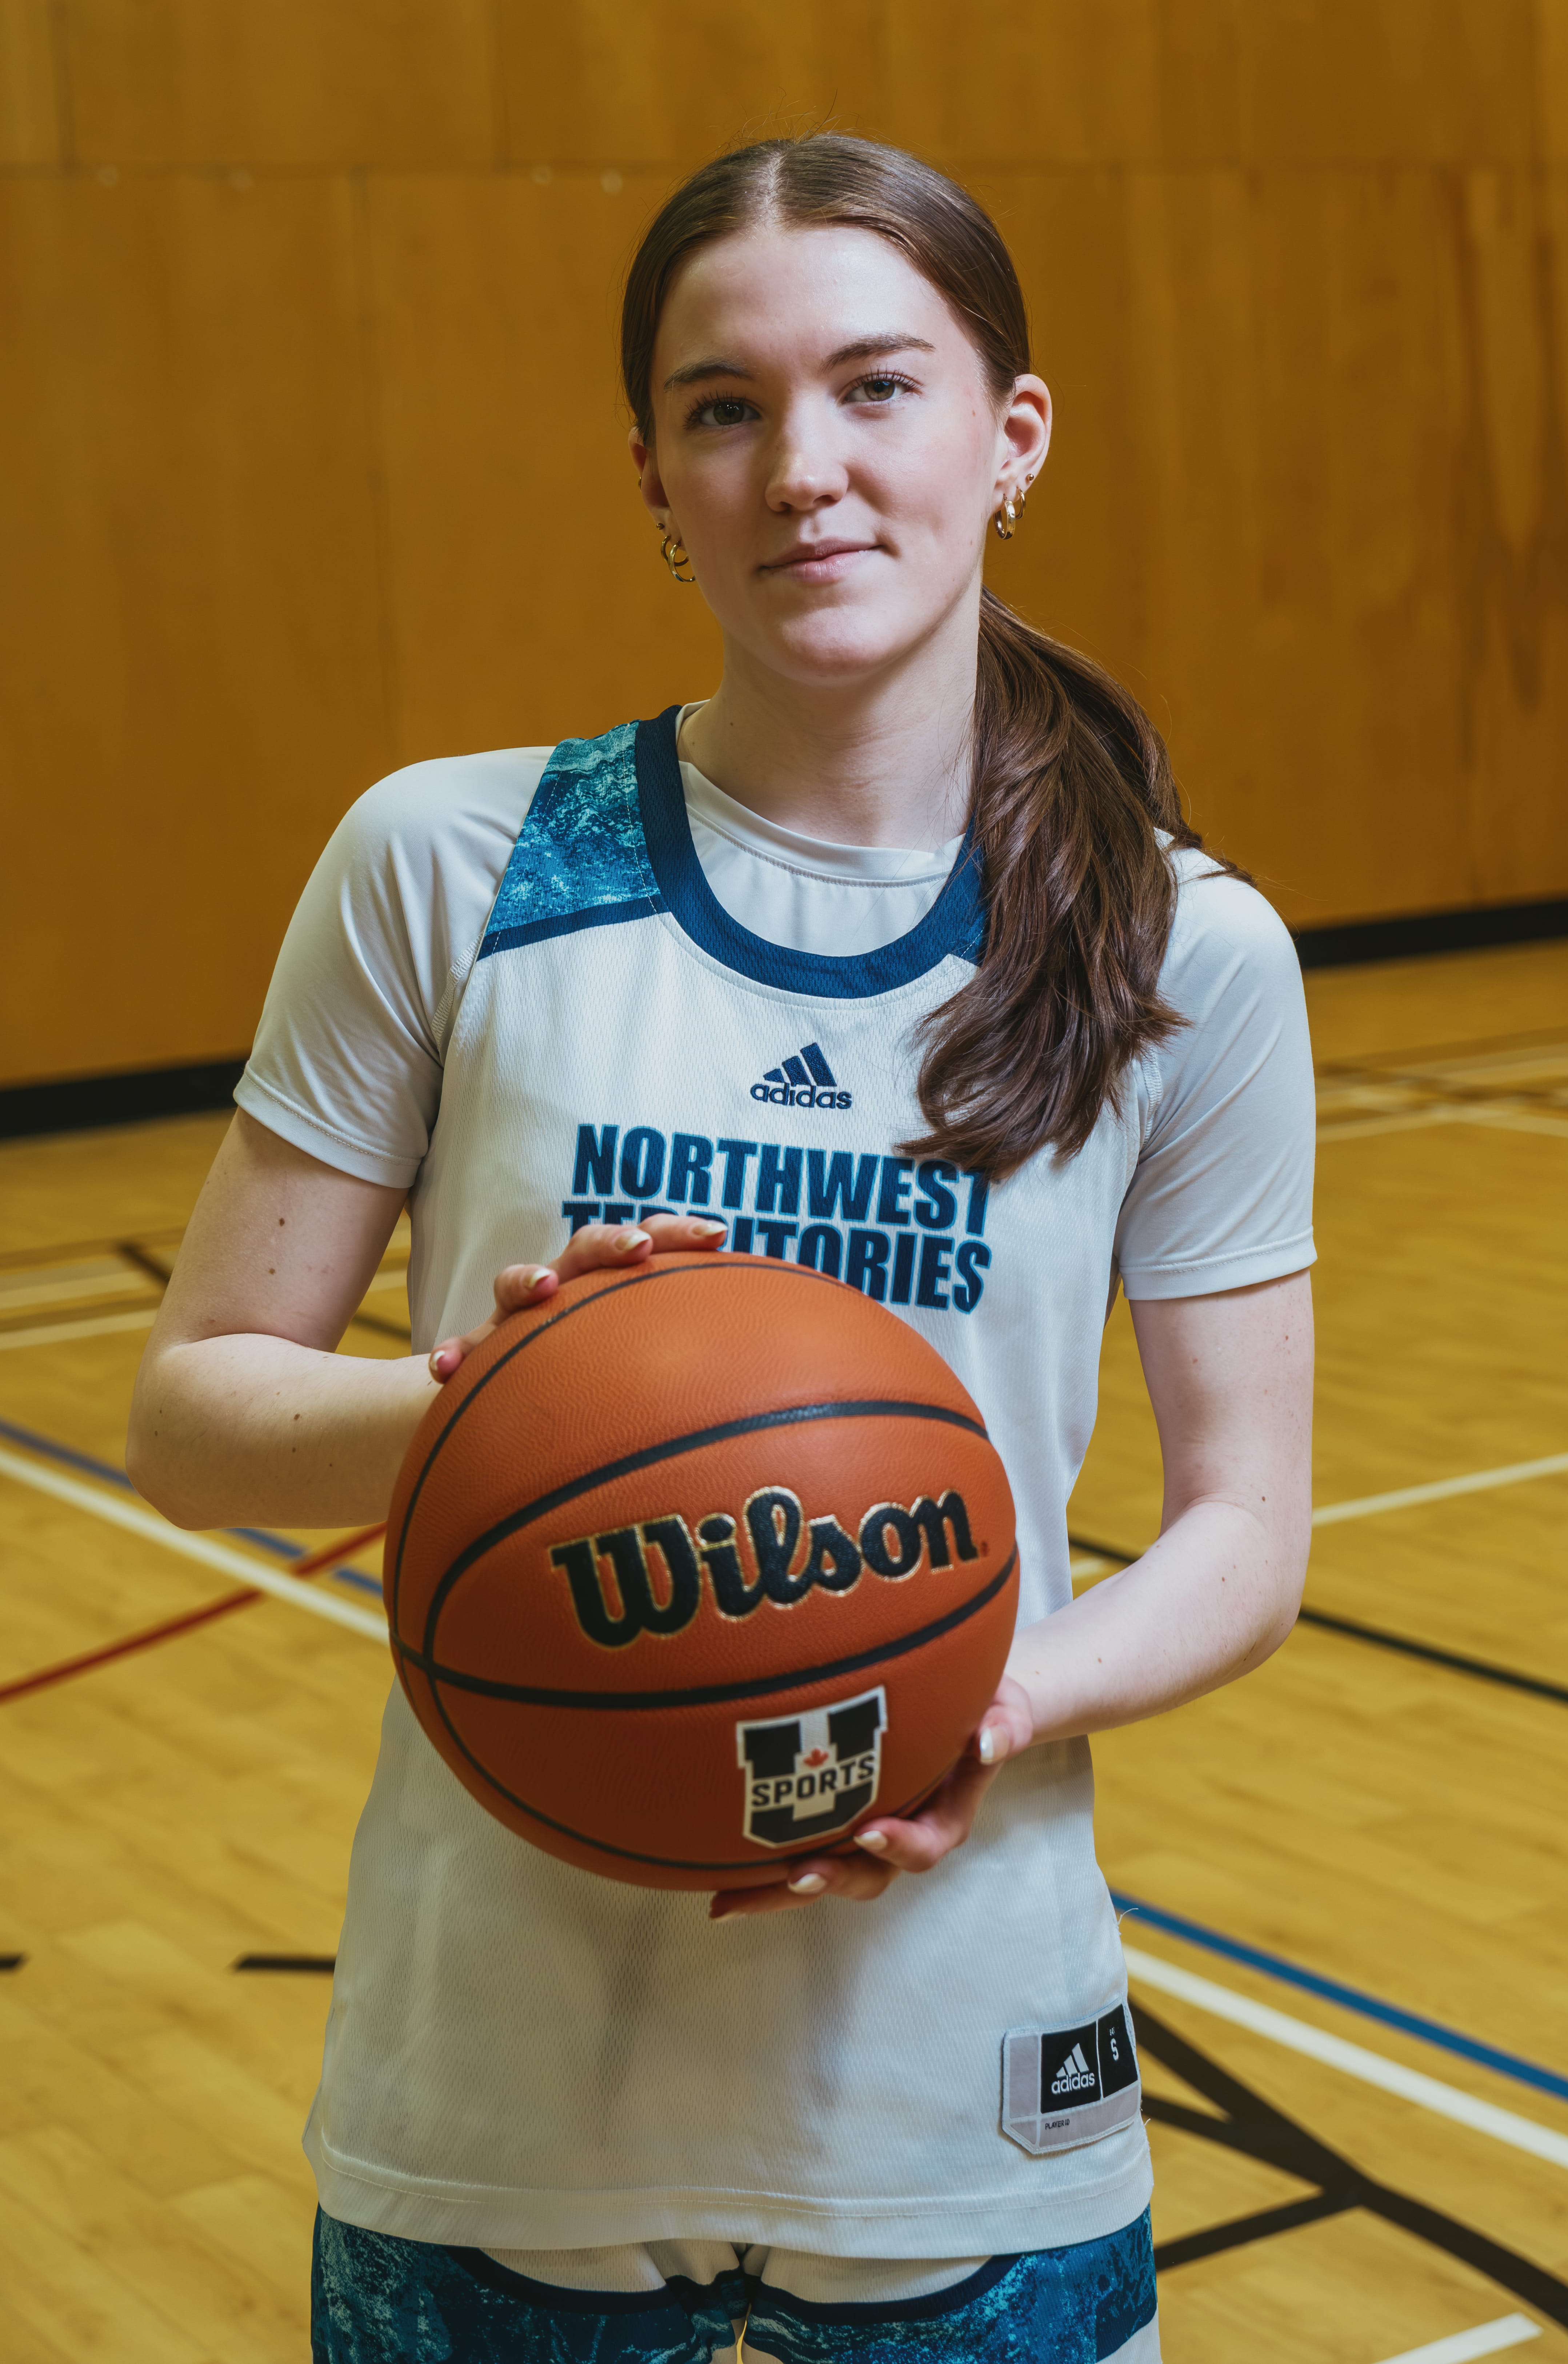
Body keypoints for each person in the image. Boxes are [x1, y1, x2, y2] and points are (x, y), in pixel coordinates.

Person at [129, 131, 1314, 2364]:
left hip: (967, 2072)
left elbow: (1248, 1528)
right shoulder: (449, 863)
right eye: (724, 407)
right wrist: (497, 1416)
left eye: (877, 386)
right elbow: (192, 1420)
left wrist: (996, 1698)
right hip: (497, 2081)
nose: (804, 468)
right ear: (657, 480)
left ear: (1012, 433)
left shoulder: (1187, 946)